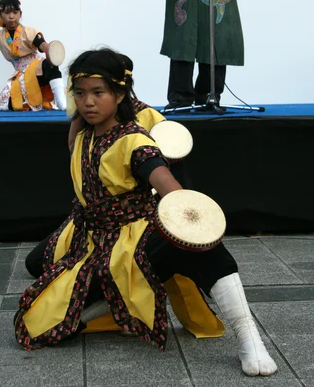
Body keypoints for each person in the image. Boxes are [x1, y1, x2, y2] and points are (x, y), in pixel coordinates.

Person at [16, 46, 277, 377]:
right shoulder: (84, 133)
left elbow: (169, 184)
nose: (88, 102)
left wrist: (193, 219)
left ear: (120, 92)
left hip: (132, 244)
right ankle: (113, 303)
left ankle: (249, 337)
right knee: (37, 318)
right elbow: (73, 148)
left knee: (195, 246)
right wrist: (76, 115)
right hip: (92, 246)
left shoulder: (135, 141)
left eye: (98, 93)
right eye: (80, 94)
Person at [0, 0, 66, 111]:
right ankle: (32, 102)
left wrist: (52, 52)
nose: (11, 16)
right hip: (20, 75)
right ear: (0, 15)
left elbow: (46, 48)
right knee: (1, 103)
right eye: (7, 13)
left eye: (15, 12)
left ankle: (62, 103)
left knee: (49, 64)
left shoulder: (29, 32)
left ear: (20, 13)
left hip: (37, 70)